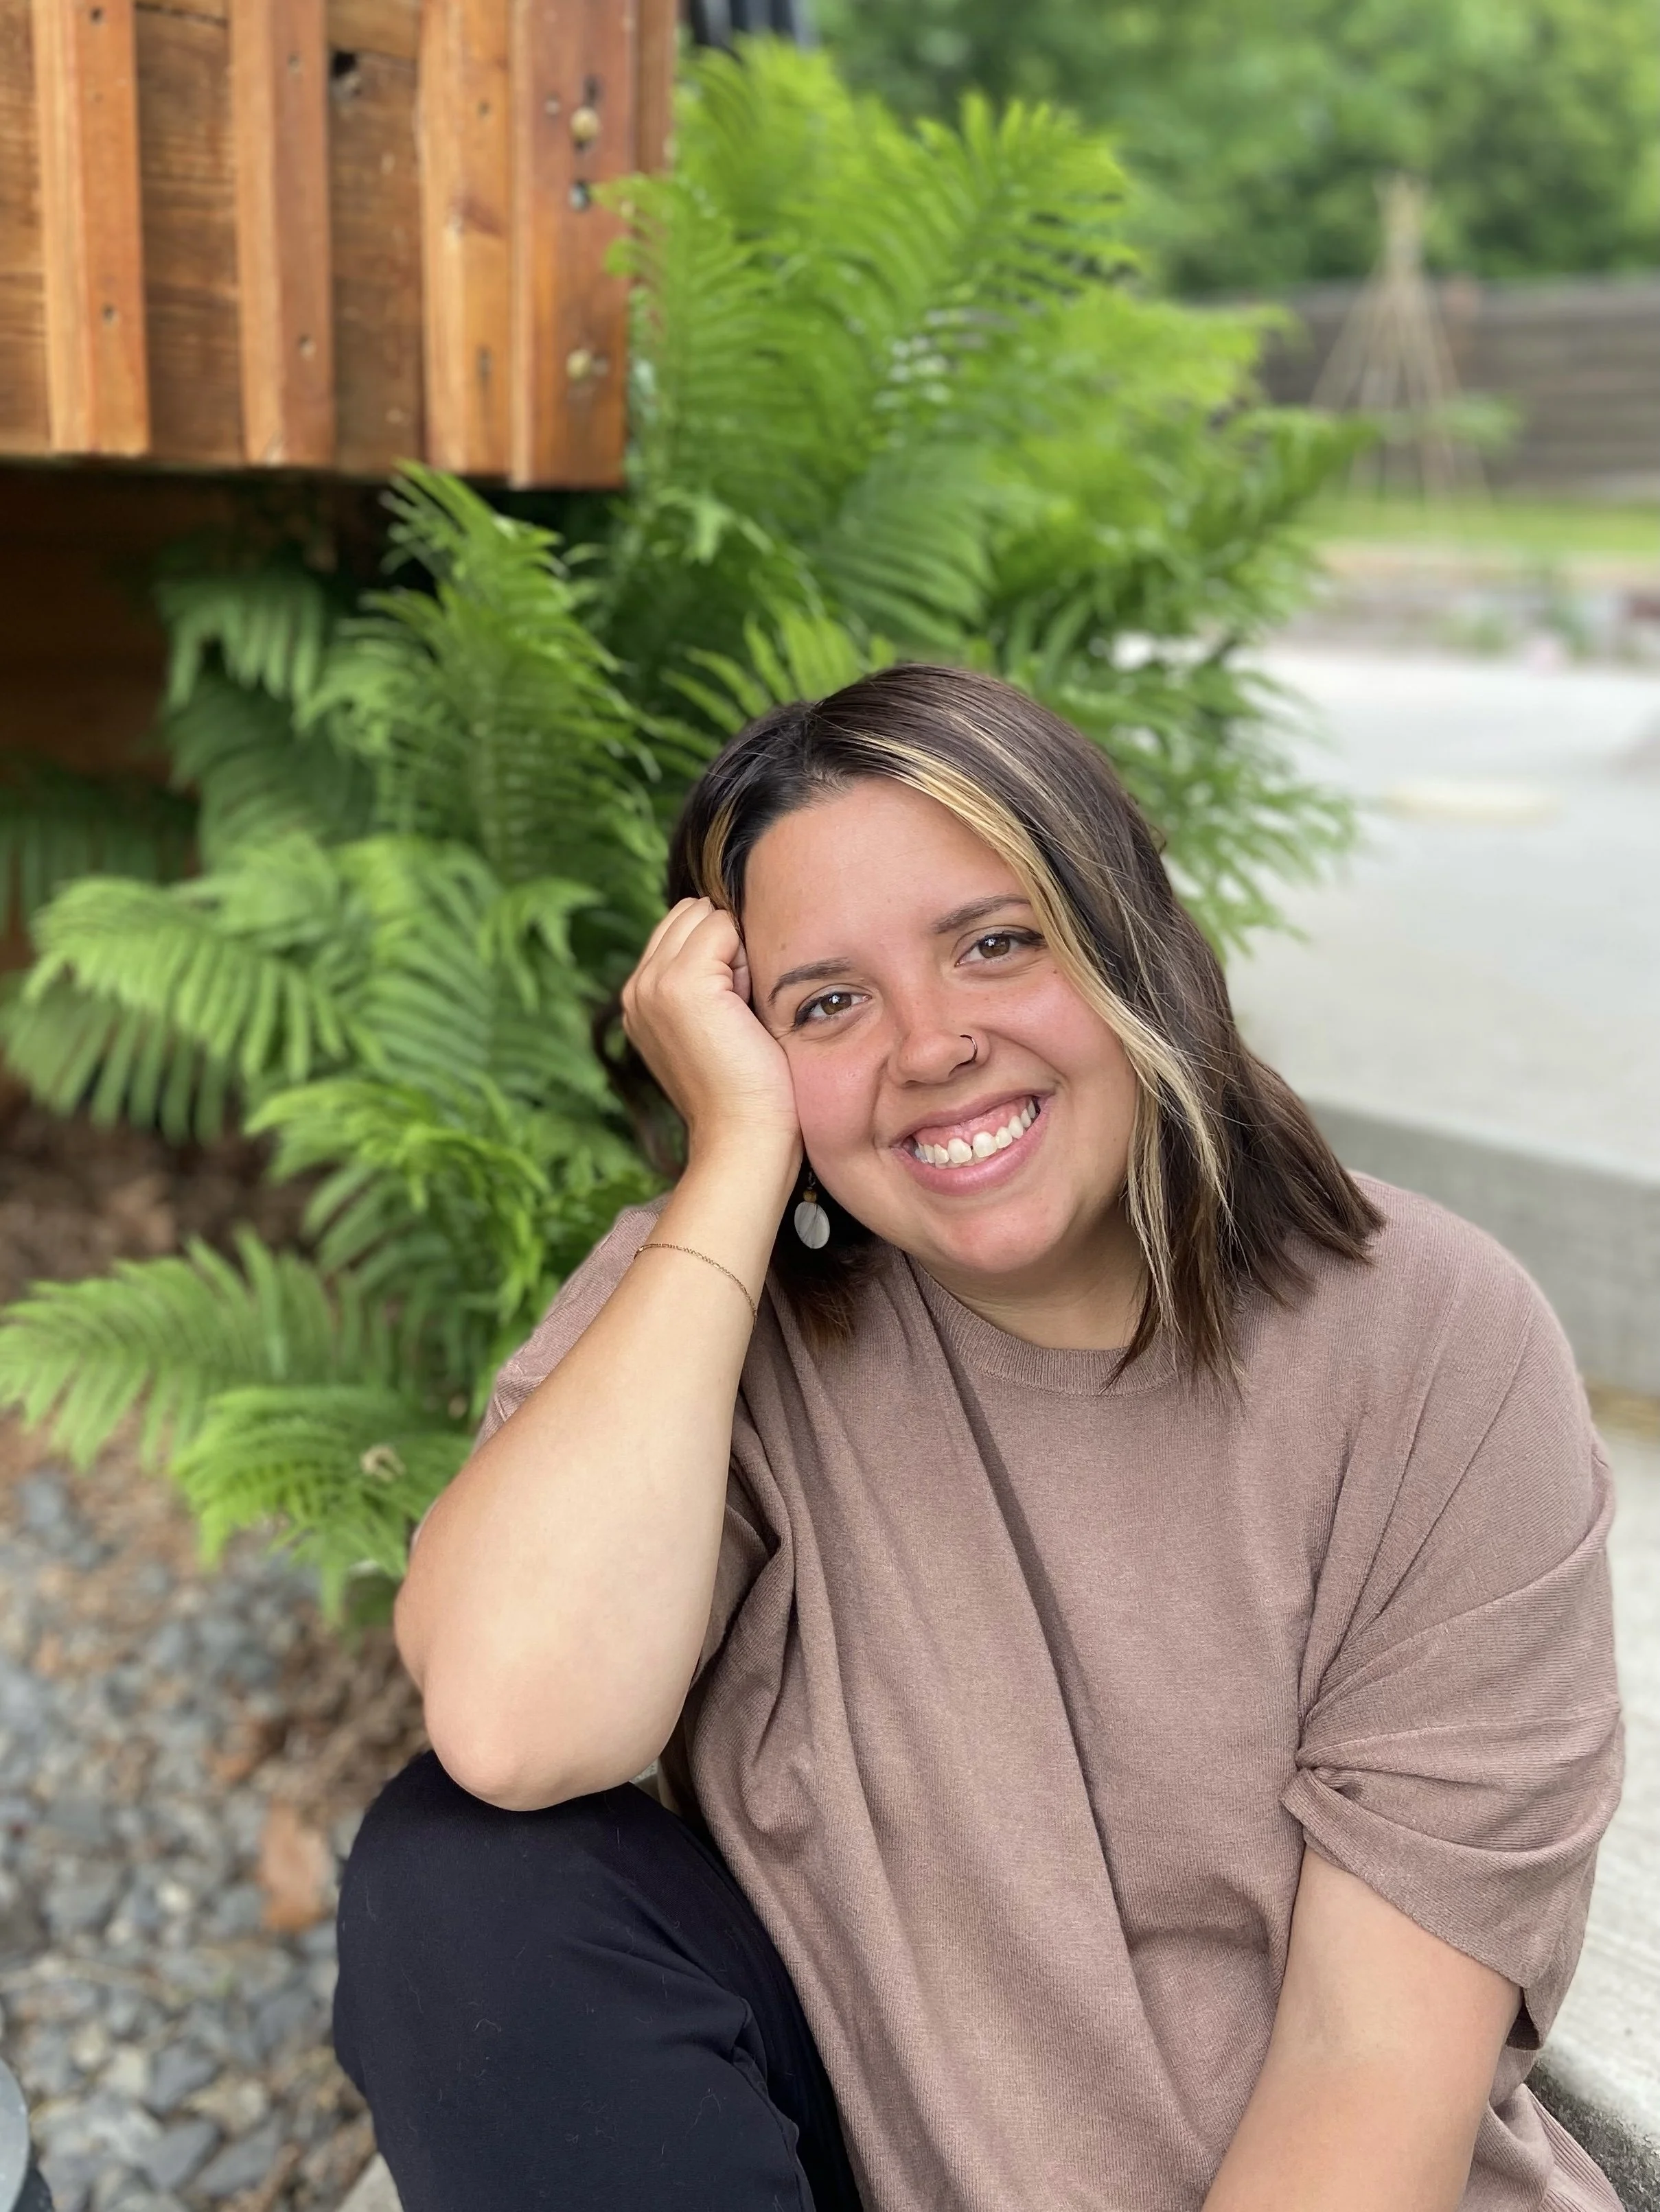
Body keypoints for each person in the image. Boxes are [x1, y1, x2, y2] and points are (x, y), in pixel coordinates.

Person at [333, 666, 1623, 2212]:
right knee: (466, 1879)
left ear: (1130, 945)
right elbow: (513, 1716)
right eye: (828, 1004)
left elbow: (1369, 2061)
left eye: (995, 944)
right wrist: (740, 1159)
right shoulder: (715, 1304)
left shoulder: (1428, 1347)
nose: (931, 1045)